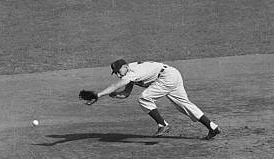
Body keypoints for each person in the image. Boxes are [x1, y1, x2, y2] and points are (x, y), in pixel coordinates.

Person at [81, 59, 221, 140]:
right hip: (171, 74)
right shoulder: (129, 73)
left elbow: (116, 85)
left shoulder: (132, 71)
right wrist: (116, 95)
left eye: (119, 71)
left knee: (144, 98)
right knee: (184, 106)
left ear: (125, 67)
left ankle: (162, 124)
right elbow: (125, 93)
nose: (118, 74)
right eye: (115, 73)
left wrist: (99, 95)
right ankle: (212, 127)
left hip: (166, 77)